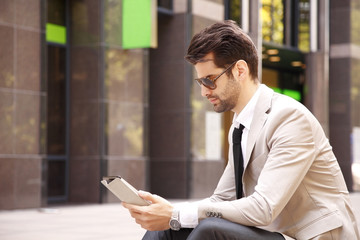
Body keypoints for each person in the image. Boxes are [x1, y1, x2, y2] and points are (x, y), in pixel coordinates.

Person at [122, 20, 360, 240]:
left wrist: (177, 213)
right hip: (276, 233)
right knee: (166, 232)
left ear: (240, 70)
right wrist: (170, 214)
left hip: (309, 236)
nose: (204, 91)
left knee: (207, 229)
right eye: (200, 82)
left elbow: (263, 208)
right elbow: (222, 199)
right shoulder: (240, 125)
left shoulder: (289, 118)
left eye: (210, 79)